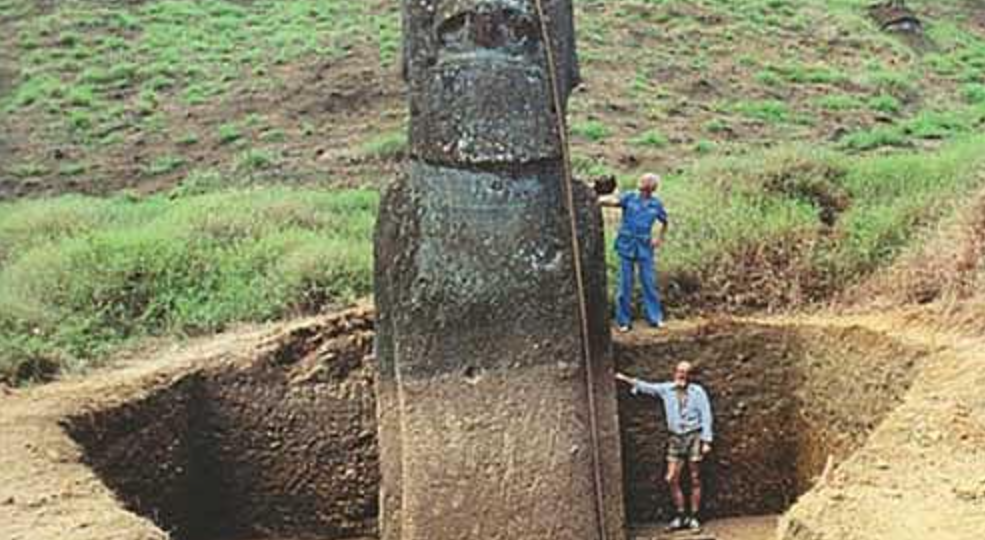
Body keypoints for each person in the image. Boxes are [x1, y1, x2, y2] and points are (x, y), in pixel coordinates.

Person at [616, 362, 713, 531]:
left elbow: (706, 415)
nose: (682, 375)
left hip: (694, 437)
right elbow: (647, 387)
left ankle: (694, 517)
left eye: (685, 372)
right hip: (675, 439)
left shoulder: (698, 392)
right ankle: (680, 515)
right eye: (679, 371)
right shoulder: (667, 389)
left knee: (695, 477)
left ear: (690, 375)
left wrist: (706, 441)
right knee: (671, 478)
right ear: (674, 373)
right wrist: (625, 379)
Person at [598, 173, 669, 332]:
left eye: (646, 182)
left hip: (644, 246)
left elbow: (664, 222)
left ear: (652, 187)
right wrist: (596, 199)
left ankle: (655, 318)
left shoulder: (655, 204)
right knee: (625, 284)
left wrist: (658, 239)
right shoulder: (630, 197)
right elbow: (613, 201)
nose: (643, 183)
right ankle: (623, 321)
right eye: (643, 180)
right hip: (626, 244)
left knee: (648, 283)